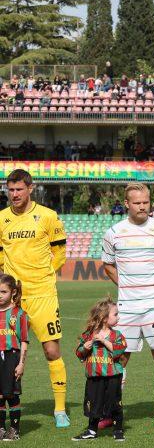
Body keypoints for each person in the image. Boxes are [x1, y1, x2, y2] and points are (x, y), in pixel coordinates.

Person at [101, 183, 154, 431]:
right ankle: (113, 410)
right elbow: (108, 265)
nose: (142, 207)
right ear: (127, 204)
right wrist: (127, 286)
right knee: (119, 357)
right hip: (126, 308)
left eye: (146, 202)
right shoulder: (113, 233)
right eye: (137, 203)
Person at [0, 169, 69, 427]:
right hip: (13, 299)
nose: (14, 194)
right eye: (10, 189)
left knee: (51, 350)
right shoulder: (2, 218)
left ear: (30, 188)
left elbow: (59, 252)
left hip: (43, 295)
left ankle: (59, 409)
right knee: (6, 352)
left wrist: (47, 274)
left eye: (19, 189)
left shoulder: (48, 216)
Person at [72, 297, 128, 442]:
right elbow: (79, 353)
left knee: (114, 403)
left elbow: (120, 349)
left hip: (113, 376)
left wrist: (104, 341)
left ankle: (118, 429)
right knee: (94, 403)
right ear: (104, 318)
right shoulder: (88, 334)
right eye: (115, 314)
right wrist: (85, 348)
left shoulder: (116, 335)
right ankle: (91, 430)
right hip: (94, 376)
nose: (118, 317)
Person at [0, 275, 29, 441]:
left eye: (3, 292)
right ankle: (1, 428)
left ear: (13, 292)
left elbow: (24, 341)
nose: (0, 295)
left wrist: (21, 364)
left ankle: (14, 429)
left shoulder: (19, 314)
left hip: (11, 357)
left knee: (11, 395)